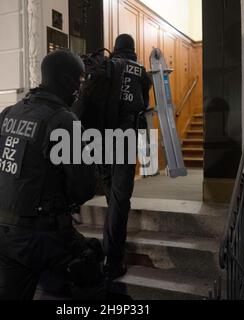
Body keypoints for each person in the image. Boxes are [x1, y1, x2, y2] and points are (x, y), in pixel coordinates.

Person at [0, 50, 102, 300]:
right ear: (65, 81)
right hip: (42, 236)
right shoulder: (65, 121)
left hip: (2, 232)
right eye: (79, 81)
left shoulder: (11, 112)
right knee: (90, 262)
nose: (80, 88)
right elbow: (83, 188)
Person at [101, 34, 152, 280]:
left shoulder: (107, 66)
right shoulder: (141, 71)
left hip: (97, 137)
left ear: (115, 48)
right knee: (121, 199)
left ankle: (107, 246)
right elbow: (144, 104)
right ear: (132, 48)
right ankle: (112, 259)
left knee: (112, 195)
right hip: (124, 136)